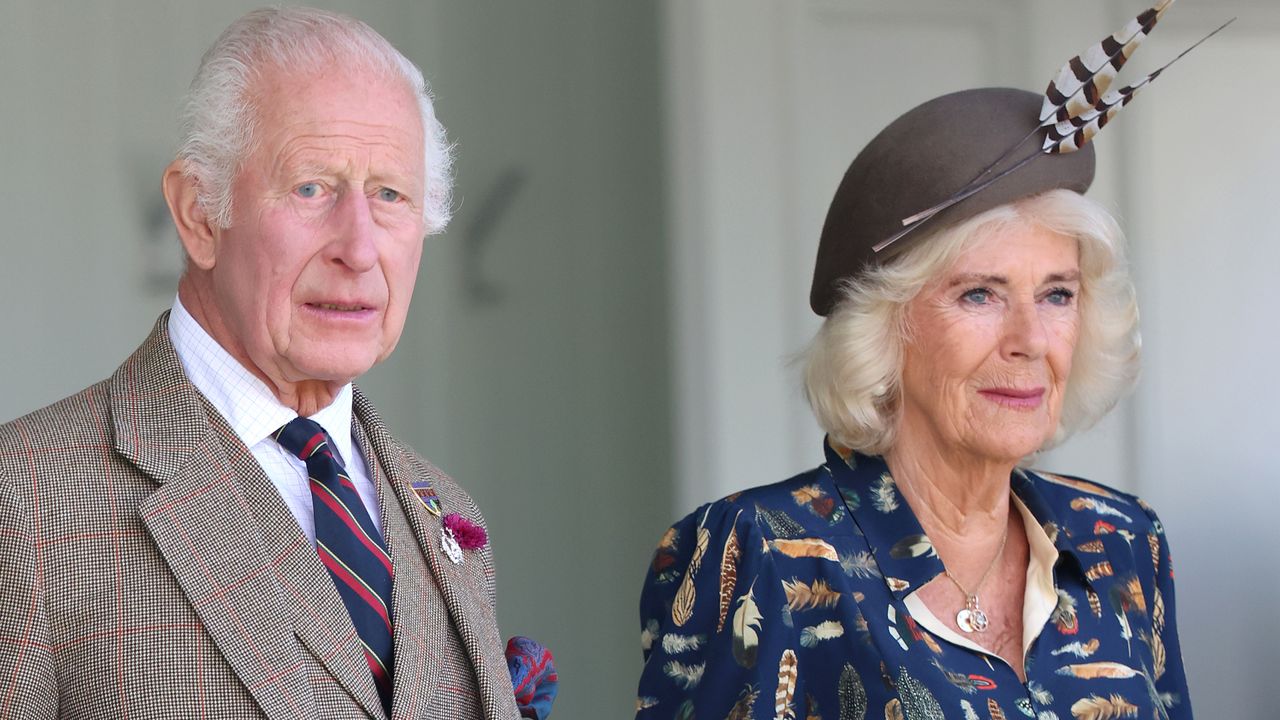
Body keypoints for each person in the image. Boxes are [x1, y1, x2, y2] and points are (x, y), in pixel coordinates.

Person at [0, 8, 554, 719]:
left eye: (390, 194)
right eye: (311, 188)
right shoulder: (26, 500)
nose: (358, 248)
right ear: (199, 213)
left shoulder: (446, 510)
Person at [634, 86, 1192, 720]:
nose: (1031, 340)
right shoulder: (758, 553)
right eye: (981, 294)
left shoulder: (1119, 538)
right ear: (883, 328)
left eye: (1057, 295)